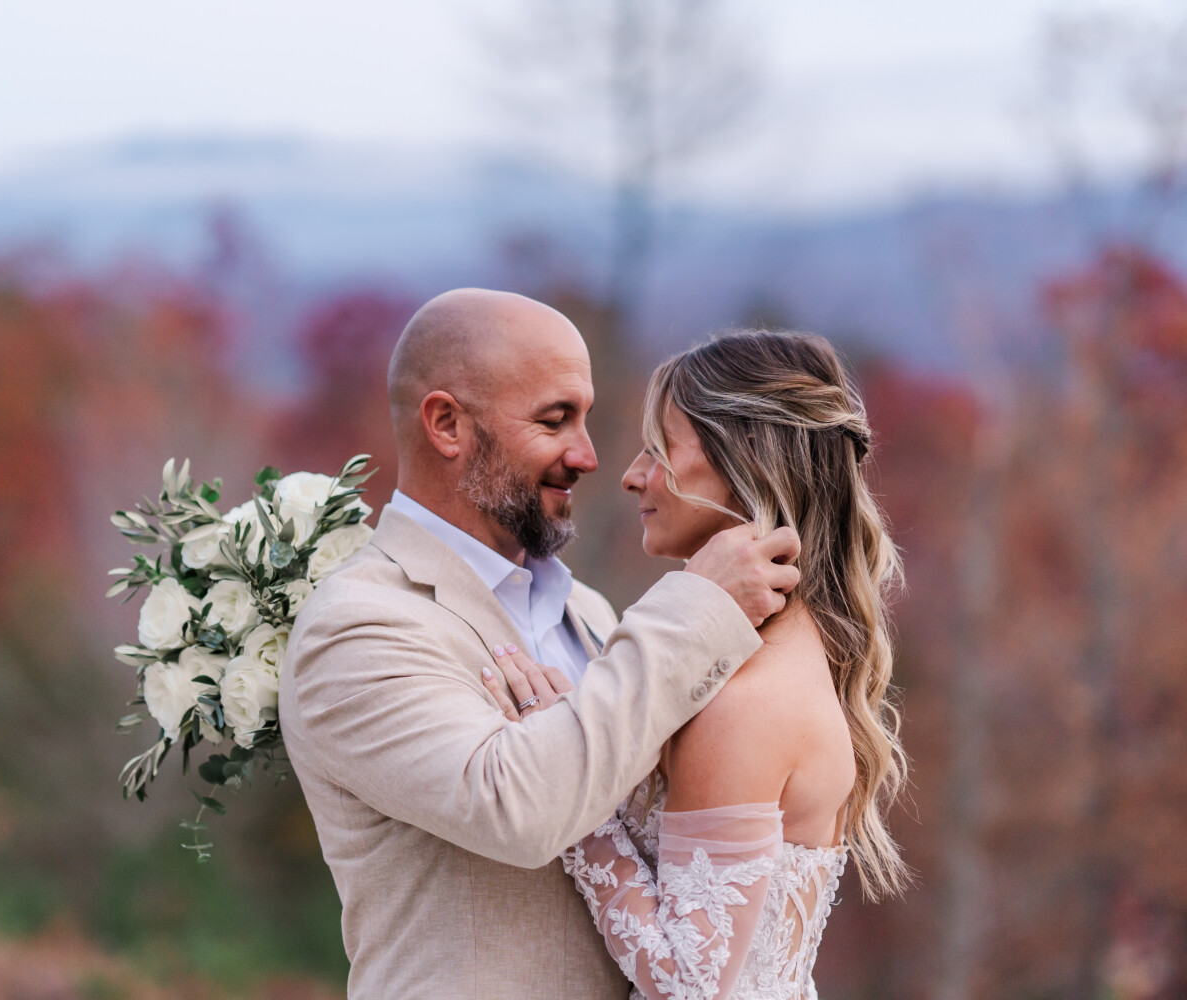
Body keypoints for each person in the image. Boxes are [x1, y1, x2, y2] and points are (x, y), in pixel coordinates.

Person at [278, 289, 802, 1000]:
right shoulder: (358, 627)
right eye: (555, 420)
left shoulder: (586, 610)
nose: (588, 456)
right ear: (447, 424)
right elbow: (519, 812)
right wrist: (700, 608)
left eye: (584, 419)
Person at [483, 330, 909, 1000]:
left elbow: (689, 979)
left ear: (745, 468)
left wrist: (571, 796)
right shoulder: (789, 650)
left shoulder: (746, 701)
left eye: (661, 450)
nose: (631, 475)